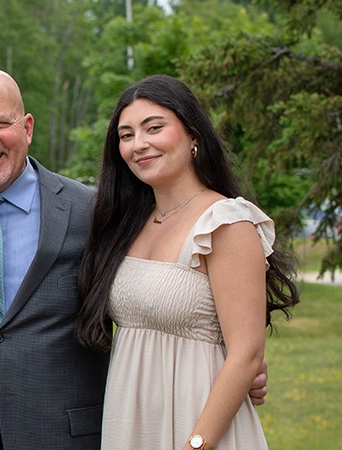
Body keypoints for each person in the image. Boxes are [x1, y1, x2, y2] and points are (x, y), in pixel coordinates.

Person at [0, 68, 270, 449]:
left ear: (27, 127)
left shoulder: (96, 212)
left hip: (69, 435)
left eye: (0, 122)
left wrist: (237, 362)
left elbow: (191, 301)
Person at [76, 74, 299, 450]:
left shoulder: (226, 222)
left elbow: (246, 355)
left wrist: (196, 445)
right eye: (126, 135)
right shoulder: (126, 224)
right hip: (130, 425)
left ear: (193, 135)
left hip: (199, 430)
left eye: (154, 128)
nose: (138, 144)